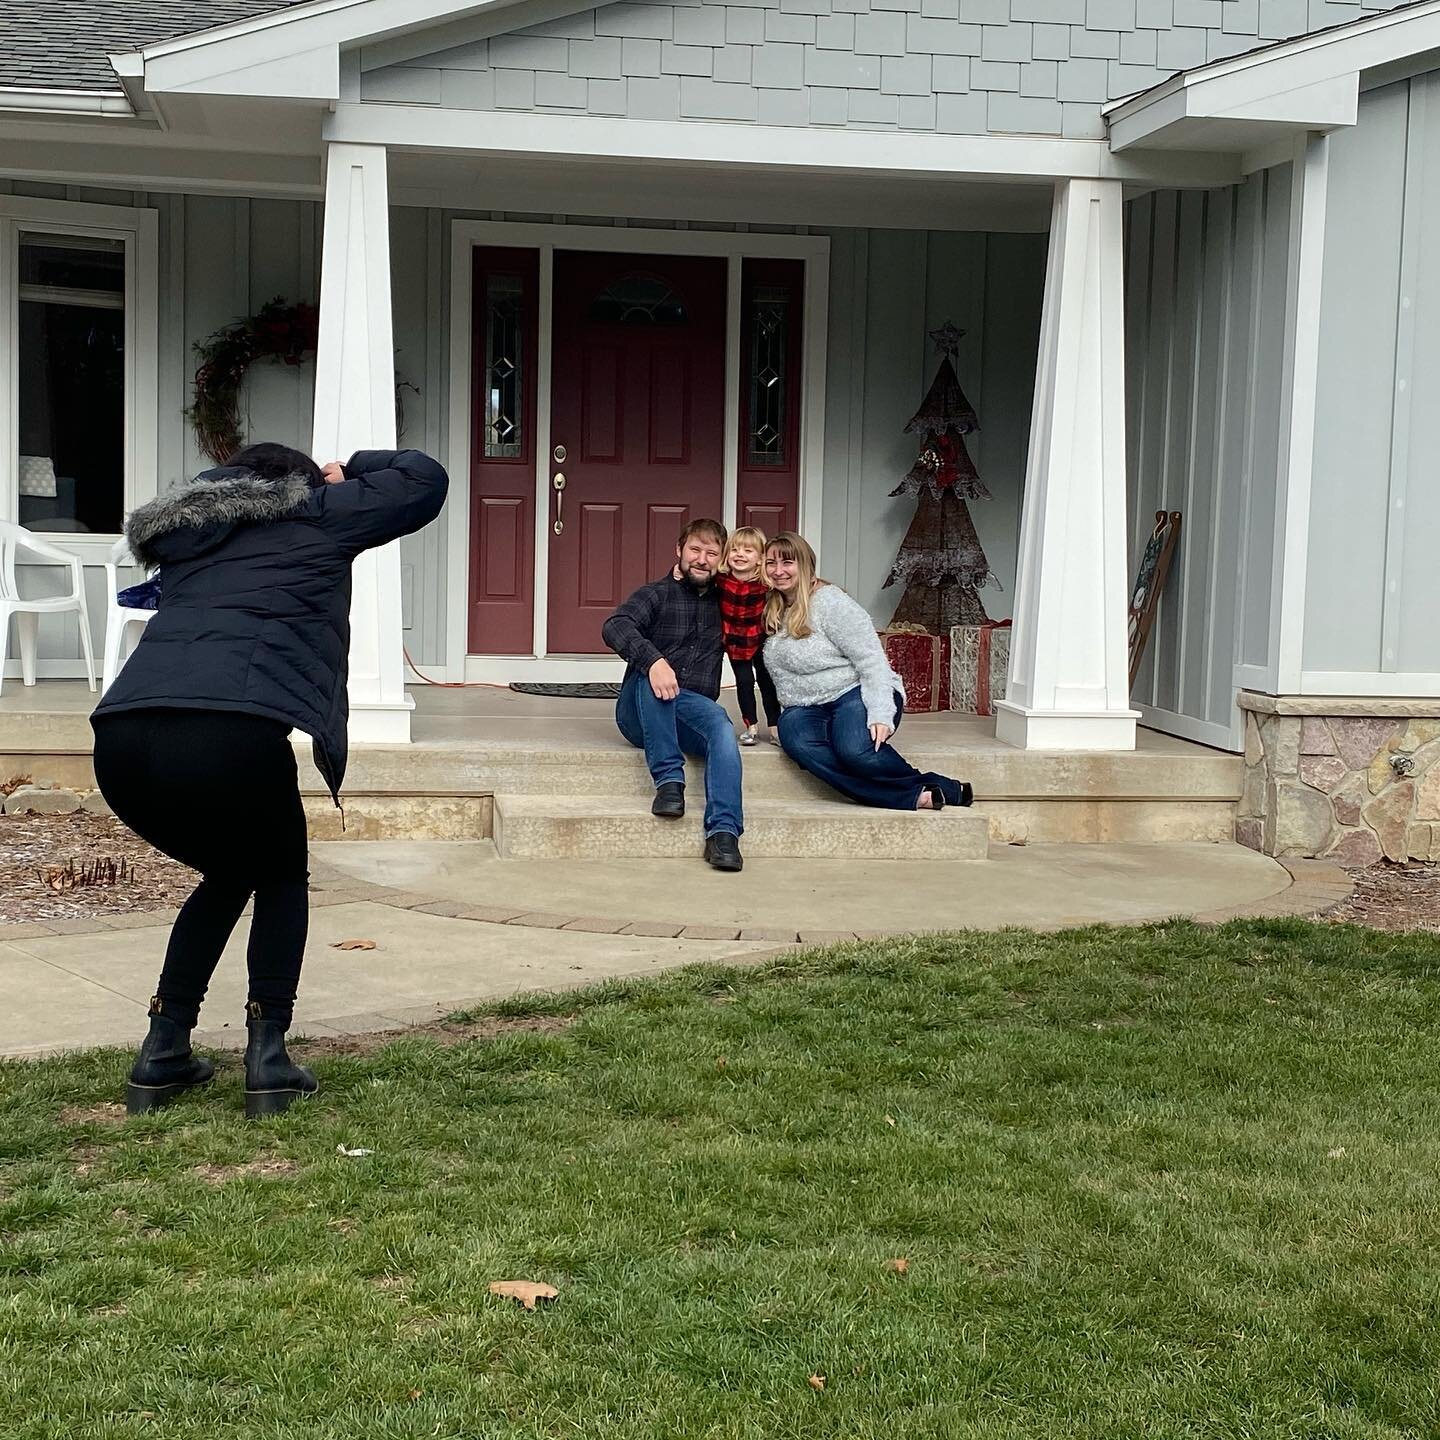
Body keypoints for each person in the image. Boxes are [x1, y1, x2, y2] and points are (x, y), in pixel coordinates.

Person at [91, 443, 448, 1118]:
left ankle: (163, 1050)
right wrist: (352, 468)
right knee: (280, 875)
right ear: (295, 484)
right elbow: (425, 480)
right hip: (228, 732)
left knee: (231, 874)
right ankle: (268, 1059)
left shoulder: (192, 533)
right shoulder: (314, 511)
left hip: (121, 739)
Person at [761, 531, 973, 812]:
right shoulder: (772, 606)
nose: (778, 571)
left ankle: (935, 789)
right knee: (798, 743)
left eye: (787, 562)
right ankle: (922, 792)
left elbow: (872, 660)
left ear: (806, 565)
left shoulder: (830, 602)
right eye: (770, 563)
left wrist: (881, 712)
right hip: (804, 707)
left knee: (854, 751)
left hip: (854, 693)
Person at [601, 519, 745, 872]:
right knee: (652, 674)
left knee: (722, 727)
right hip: (640, 713)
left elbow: (767, 590)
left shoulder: (727, 602)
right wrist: (653, 661)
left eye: (712, 553)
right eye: (695, 549)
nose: (702, 559)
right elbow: (615, 626)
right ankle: (669, 781)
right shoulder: (656, 593)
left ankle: (724, 833)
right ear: (678, 550)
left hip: (691, 711)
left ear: (722, 559)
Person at [718, 526, 782, 748]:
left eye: (748, 550)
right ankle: (751, 727)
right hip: (735, 642)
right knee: (744, 683)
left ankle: (775, 727)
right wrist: (678, 571)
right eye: (734, 549)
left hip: (760, 639)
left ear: (760, 558)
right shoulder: (721, 580)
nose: (740, 554)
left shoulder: (766, 584)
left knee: (767, 682)